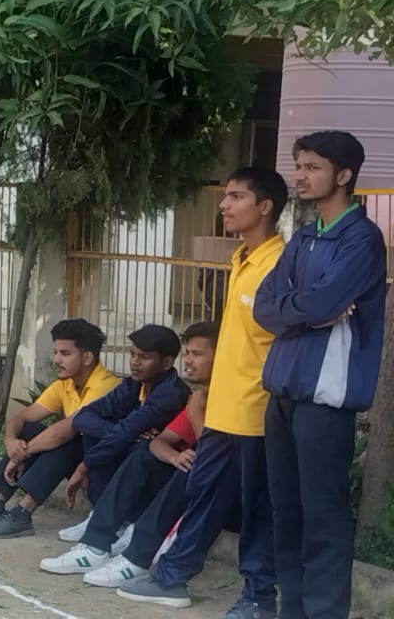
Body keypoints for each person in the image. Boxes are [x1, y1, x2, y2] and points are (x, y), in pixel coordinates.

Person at [117, 166, 289, 615]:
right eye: (225, 196)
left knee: (258, 508)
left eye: (236, 197)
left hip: (257, 410)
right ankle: (172, 577)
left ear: (265, 206)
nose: (224, 205)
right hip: (223, 410)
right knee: (202, 493)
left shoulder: (280, 264)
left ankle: (258, 598)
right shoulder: (240, 259)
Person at [258, 131, 386, 618]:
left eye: (313, 167)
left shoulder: (362, 239)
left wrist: (302, 307)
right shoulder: (303, 236)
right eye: (299, 166)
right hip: (282, 392)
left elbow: (322, 303)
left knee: (323, 517)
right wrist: (306, 311)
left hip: (325, 399)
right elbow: (263, 307)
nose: (301, 176)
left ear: (344, 175)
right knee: (286, 513)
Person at [40, 322, 217, 576]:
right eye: (187, 353)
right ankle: (97, 541)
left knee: (140, 451)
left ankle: (132, 550)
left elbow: (213, 456)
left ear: (166, 362)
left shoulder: (176, 394)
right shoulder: (137, 385)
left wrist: (195, 411)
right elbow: (88, 418)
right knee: (123, 442)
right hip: (178, 471)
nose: (134, 362)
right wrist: (173, 454)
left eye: (196, 354)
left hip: (208, 487)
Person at [0, 319, 120, 537]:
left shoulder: (105, 386)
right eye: (55, 352)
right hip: (82, 459)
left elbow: (66, 431)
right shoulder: (65, 384)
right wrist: (11, 441)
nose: (56, 360)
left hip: (106, 466)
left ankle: (23, 512)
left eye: (65, 354)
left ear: (86, 358)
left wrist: (22, 454)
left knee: (68, 440)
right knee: (28, 429)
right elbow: (21, 417)